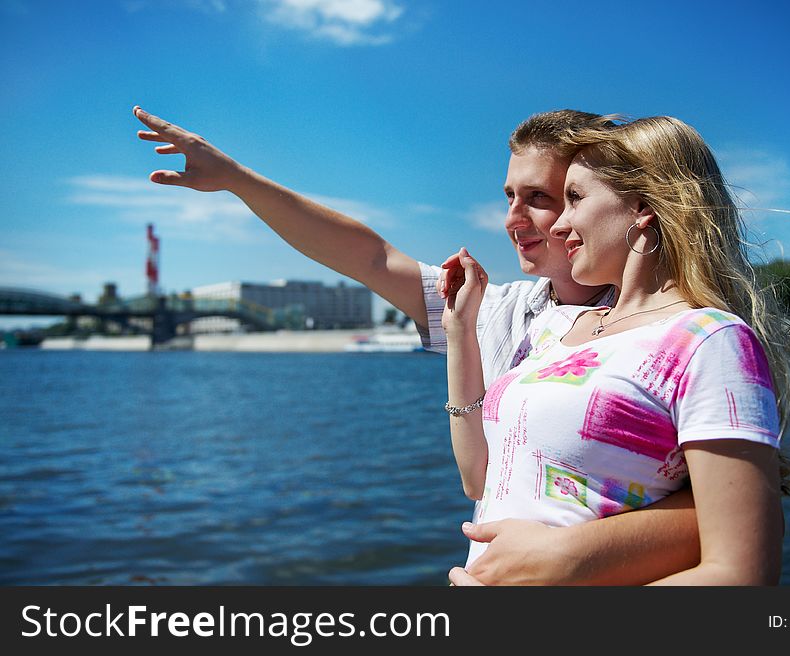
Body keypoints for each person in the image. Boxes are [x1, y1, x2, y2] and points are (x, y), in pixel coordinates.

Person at [133, 106, 700, 585]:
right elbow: (369, 257)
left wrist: (569, 557)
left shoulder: (677, 330)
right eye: (508, 196)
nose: (512, 219)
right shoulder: (505, 313)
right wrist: (237, 179)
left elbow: (730, 520)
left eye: (543, 197)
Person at [441, 114, 790, 584]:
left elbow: (741, 574)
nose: (561, 224)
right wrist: (460, 331)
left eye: (574, 198)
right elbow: (480, 478)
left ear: (641, 207)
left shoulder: (708, 340)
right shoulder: (562, 330)